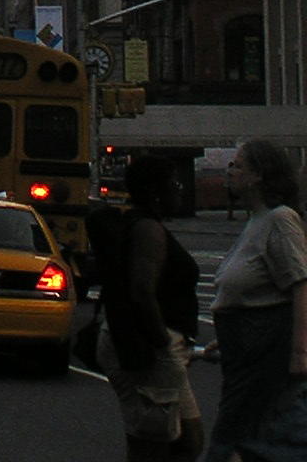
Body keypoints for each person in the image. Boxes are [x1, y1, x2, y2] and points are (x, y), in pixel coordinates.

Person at [200, 139, 307, 462]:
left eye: (238, 165)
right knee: (247, 440)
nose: (230, 171)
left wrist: (300, 353)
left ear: (259, 175)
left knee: (232, 441)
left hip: (263, 356)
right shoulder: (256, 221)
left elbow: (300, 283)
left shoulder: (280, 220)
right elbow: (251, 290)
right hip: (243, 353)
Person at [93, 154, 203, 460]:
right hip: (151, 348)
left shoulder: (144, 225)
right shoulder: (147, 229)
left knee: (188, 440)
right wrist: (163, 343)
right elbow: (142, 291)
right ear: (156, 191)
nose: (179, 189)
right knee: (152, 441)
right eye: (173, 183)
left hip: (158, 346)